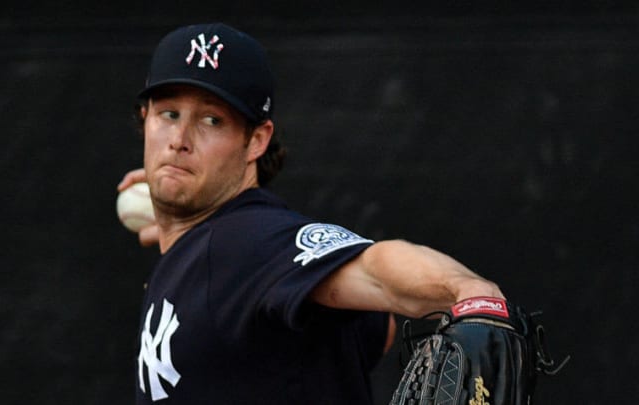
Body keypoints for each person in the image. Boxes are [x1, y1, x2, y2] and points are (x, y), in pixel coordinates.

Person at [117, 22, 504, 405]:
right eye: (168, 114)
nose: (180, 140)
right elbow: (377, 328)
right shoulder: (214, 253)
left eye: (212, 120)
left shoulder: (243, 241)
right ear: (144, 117)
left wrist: (467, 291)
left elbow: (376, 271)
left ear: (256, 141)